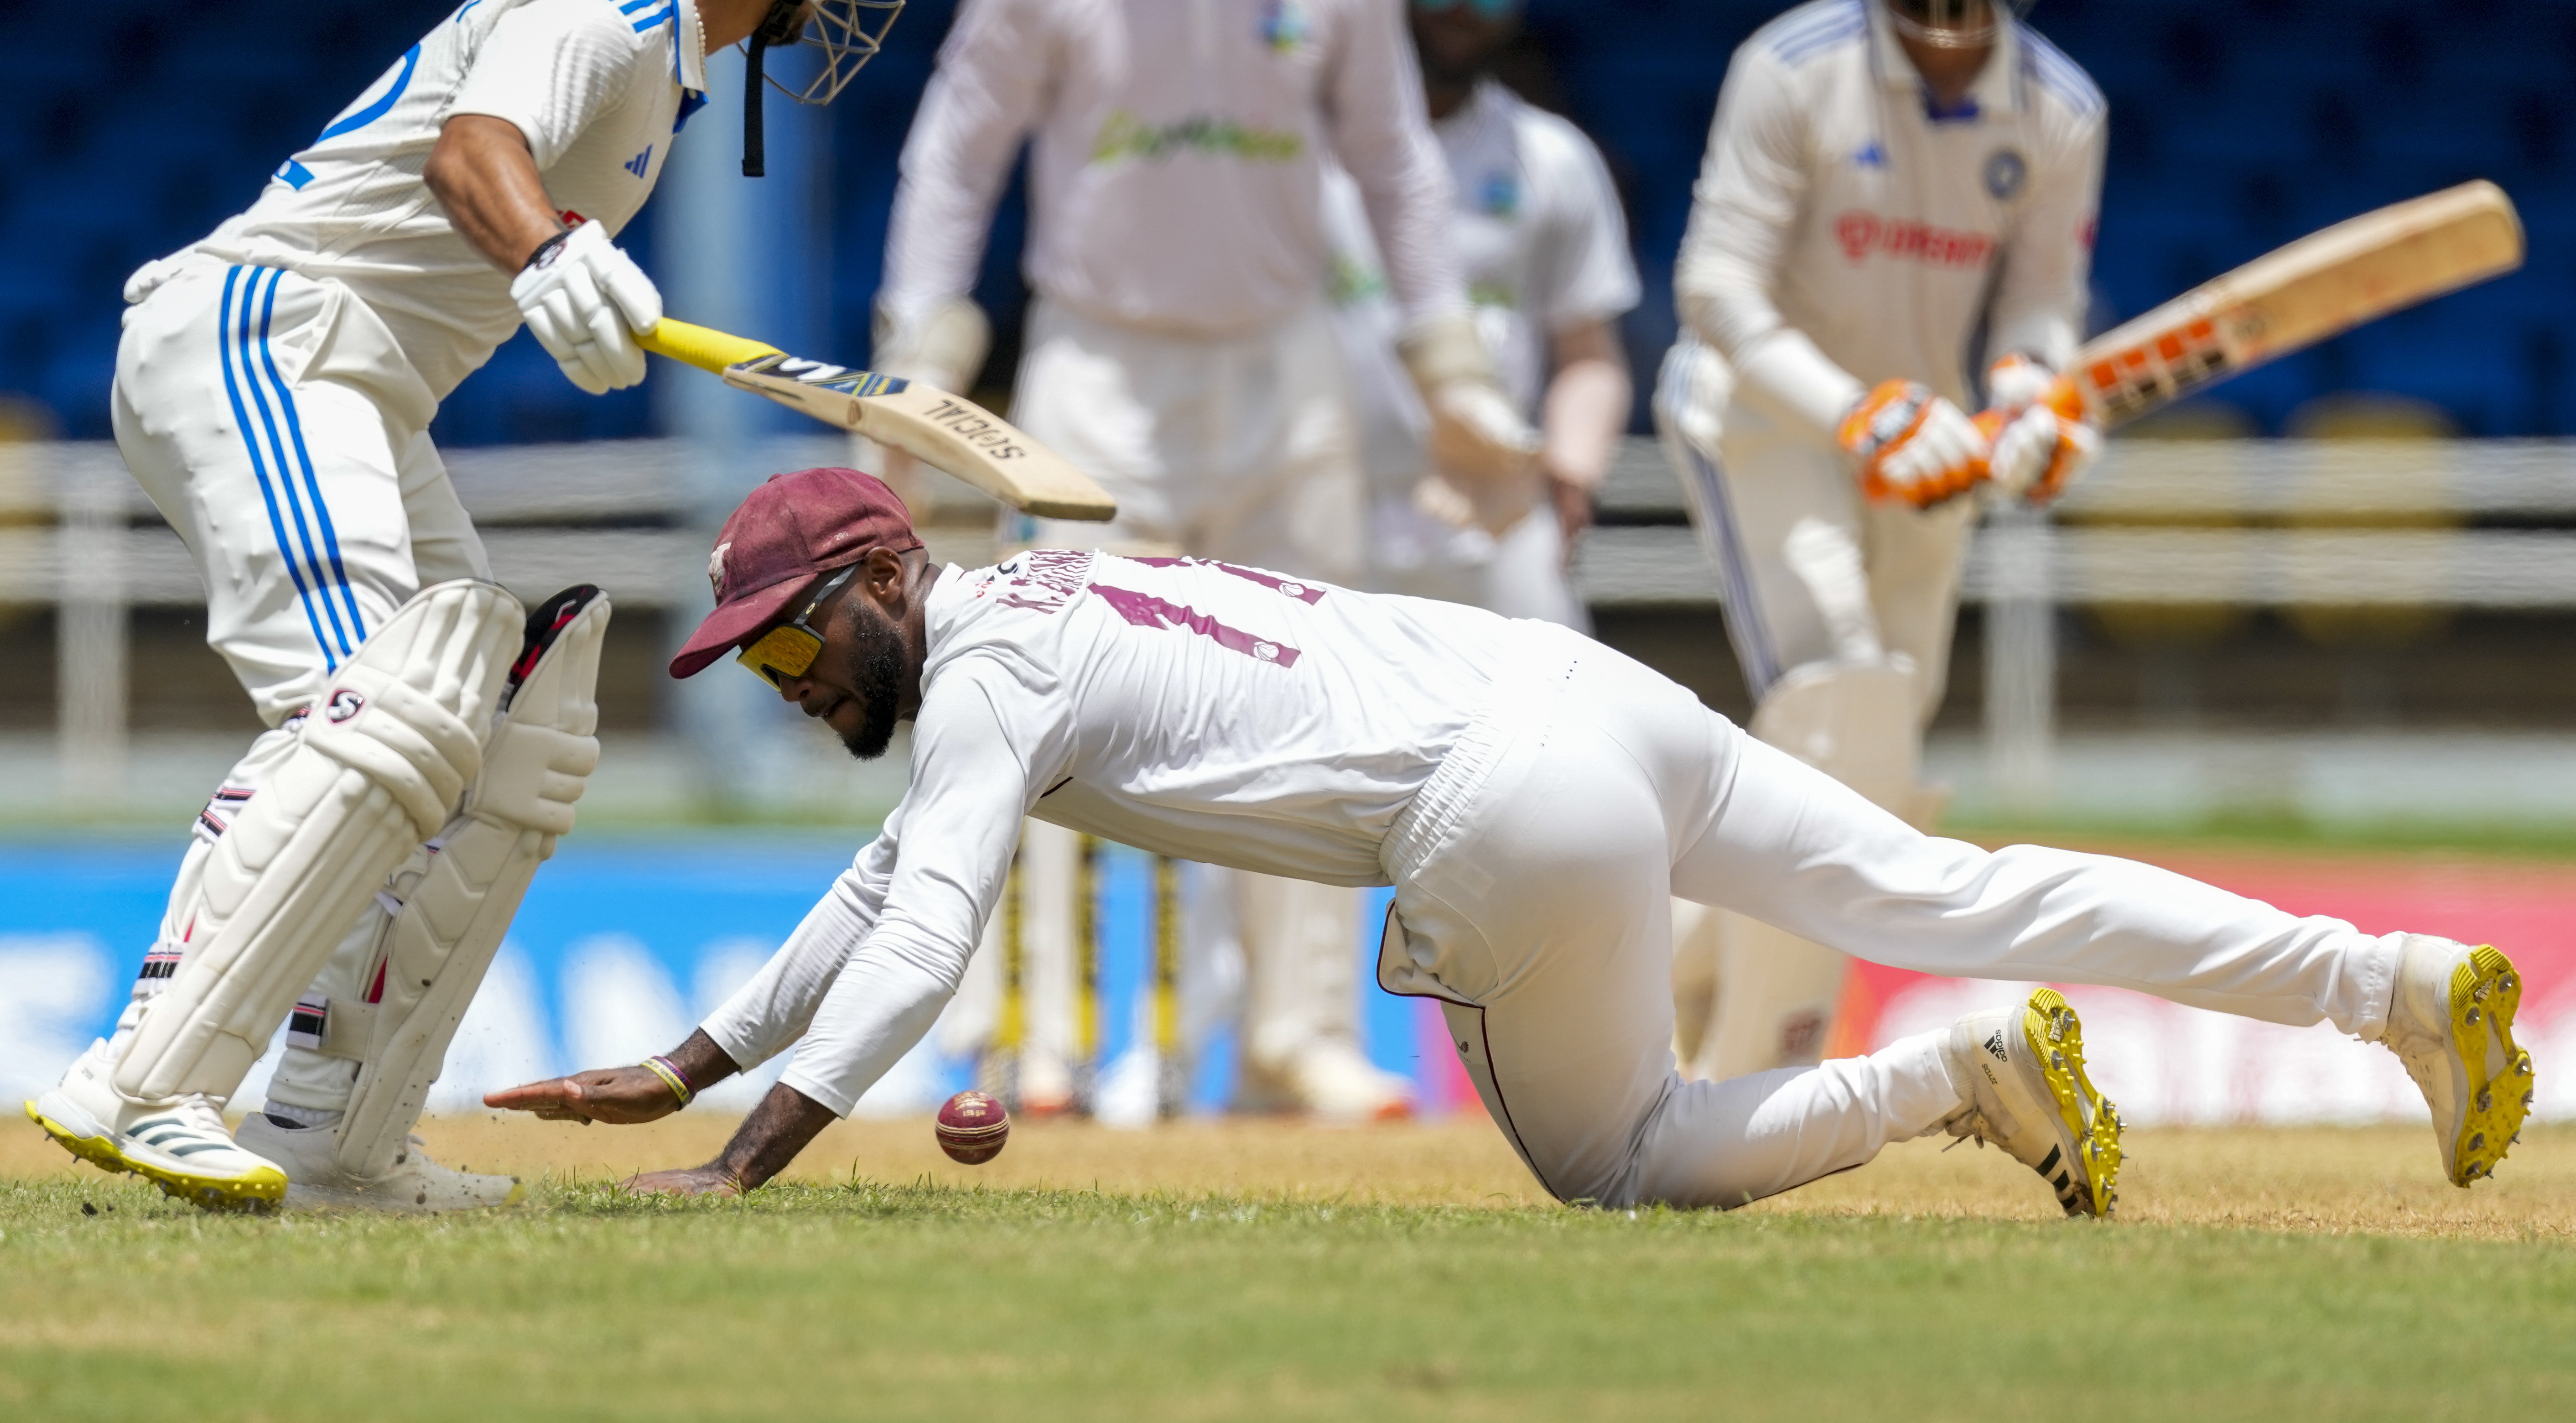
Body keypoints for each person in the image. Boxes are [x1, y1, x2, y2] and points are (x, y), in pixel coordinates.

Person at [488, 467, 2533, 1215]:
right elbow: (879, 888)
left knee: (1618, 1160)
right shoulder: (1024, 623)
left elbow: (926, 930)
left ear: (876, 577)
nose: (775, 676)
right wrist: (689, 1052)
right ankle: (2383, 986)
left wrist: (734, 1158)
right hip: (1584, 695)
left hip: (1501, 799)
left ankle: (1958, 1071)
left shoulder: (987, 674)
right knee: (1956, 880)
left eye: (786, 635)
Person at [24, 0, 926, 1213]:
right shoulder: (614, 6)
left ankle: (338, 1136)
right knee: (387, 705)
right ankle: (141, 1078)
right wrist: (551, 252)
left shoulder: (665, 57)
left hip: (355, 383)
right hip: (269, 331)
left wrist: (552, 250)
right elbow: (474, 151)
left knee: (508, 732)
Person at [868, 0, 1530, 1120]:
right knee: (1040, 698)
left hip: (1286, 363)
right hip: (1094, 371)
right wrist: (918, 356)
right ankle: (1045, 1034)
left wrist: (1452, 371)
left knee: (1318, 702)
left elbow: (1399, 169)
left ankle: (1298, 1033)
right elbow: (955, 155)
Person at [1657, 0, 2107, 1084]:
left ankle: (1672, 953)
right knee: (1841, 685)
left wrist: (2031, 395)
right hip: (1766, 417)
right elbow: (1716, 292)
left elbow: (2036, 303)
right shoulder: (1792, 69)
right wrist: (1857, 413)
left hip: (1932, 435)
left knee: (1882, 743)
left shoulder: (2061, 108)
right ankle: (1761, 1060)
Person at [1324, 0, 1637, 625]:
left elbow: (1587, 350)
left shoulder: (1552, 158)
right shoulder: (1312, 149)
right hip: (1333, 507)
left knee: (1554, 720)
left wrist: (1570, 466)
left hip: (1496, 506)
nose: (1462, 8)